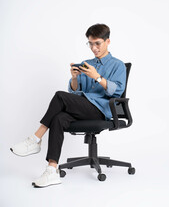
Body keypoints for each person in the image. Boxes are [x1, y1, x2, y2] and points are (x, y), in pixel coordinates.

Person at [10, 23, 126, 188]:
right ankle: (51, 170)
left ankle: (35, 139)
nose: (94, 48)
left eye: (97, 43)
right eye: (90, 43)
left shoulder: (118, 65)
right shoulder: (86, 63)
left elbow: (117, 92)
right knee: (58, 118)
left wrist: (97, 77)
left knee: (59, 96)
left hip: (102, 110)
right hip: (84, 106)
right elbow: (75, 93)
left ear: (107, 42)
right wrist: (73, 78)